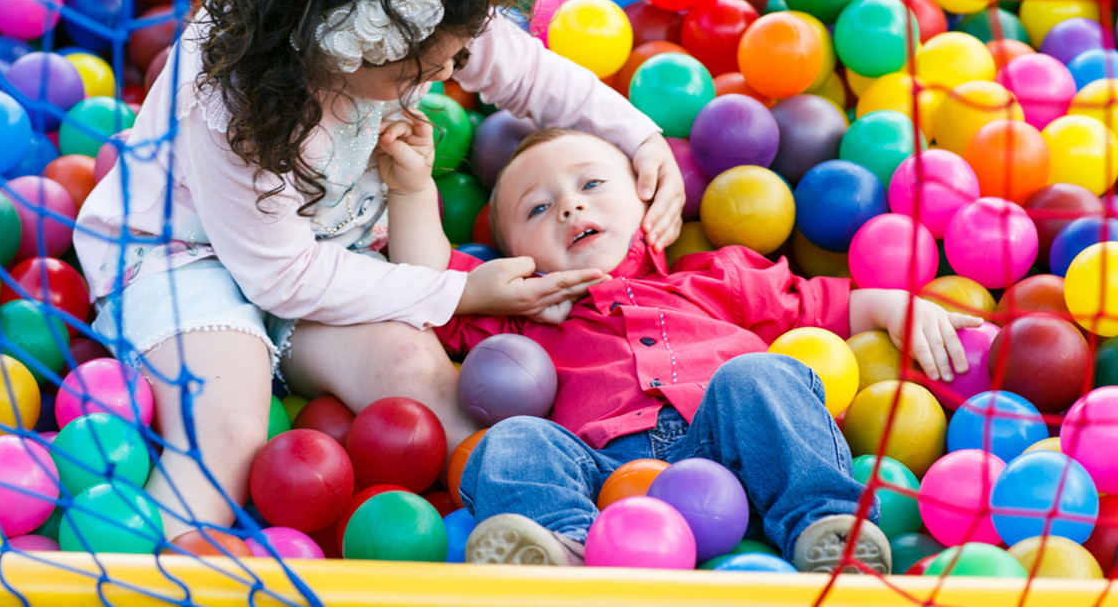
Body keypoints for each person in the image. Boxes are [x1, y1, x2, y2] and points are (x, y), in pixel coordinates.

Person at [72, 0, 685, 541]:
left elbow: (527, 73)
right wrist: (459, 293)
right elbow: (280, 276)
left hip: (333, 252)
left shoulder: (418, 0)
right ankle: (142, 570)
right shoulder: (231, 100)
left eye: (455, 58)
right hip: (185, 260)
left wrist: (638, 137)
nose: (446, 74)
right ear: (346, 46)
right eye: (423, 70)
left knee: (421, 378)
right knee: (231, 433)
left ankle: (564, 532)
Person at [378, 124, 980, 573]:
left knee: (760, 375)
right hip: (603, 484)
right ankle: (563, 549)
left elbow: (824, 305)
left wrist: (896, 307)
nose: (569, 205)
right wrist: (410, 187)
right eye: (538, 208)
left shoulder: (718, 278)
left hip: (736, 457)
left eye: (592, 184)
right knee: (513, 440)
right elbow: (428, 281)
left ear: (649, 202)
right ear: (515, 258)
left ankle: (825, 527)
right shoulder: (519, 315)